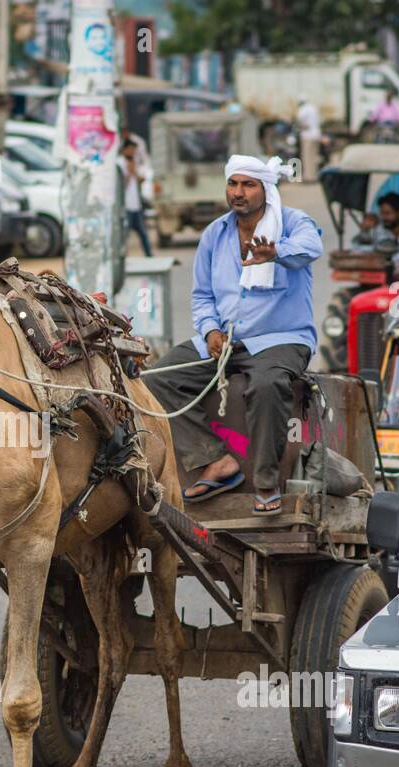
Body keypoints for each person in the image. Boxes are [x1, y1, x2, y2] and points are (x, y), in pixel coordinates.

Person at [145, 154, 322, 515]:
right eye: (233, 184)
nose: (238, 192)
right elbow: (202, 296)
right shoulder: (215, 233)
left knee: (268, 384)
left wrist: (276, 252)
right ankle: (215, 459)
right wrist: (210, 330)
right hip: (225, 341)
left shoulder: (291, 223)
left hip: (281, 339)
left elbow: (312, 248)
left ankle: (266, 483)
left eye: (248, 184)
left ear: (265, 189)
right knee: (155, 379)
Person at [118, 139, 152, 256]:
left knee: (143, 233)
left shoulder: (133, 162)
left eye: (134, 150)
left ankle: (149, 256)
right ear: (125, 149)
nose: (133, 152)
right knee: (124, 234)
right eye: (131, 149)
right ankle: (121, 257)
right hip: (126, 205)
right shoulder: (120, 163)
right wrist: (129, 172)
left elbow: (136, 182)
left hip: (136, 205)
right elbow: (121, 186)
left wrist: (138, 177)